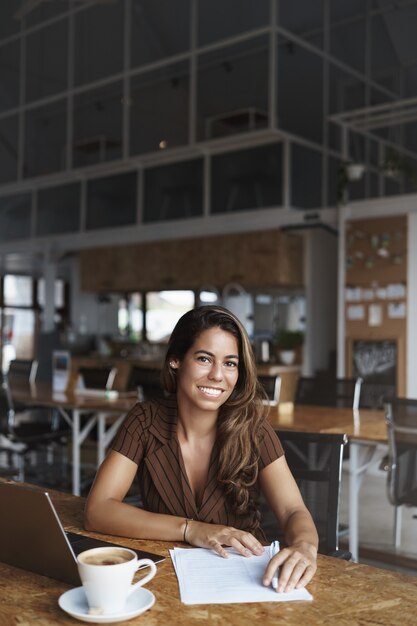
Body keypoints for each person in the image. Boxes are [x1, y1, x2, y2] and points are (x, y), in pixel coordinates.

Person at [84, 306, 318, 593]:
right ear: (175, 360)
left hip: (248, 580)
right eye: (205, 359)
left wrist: (305, 547)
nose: (218, 375)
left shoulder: (252, 428)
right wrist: (191, 529)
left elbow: (293, 509)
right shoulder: (145, 421)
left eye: (230, 363)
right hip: (166, 580)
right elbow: (97, 510)